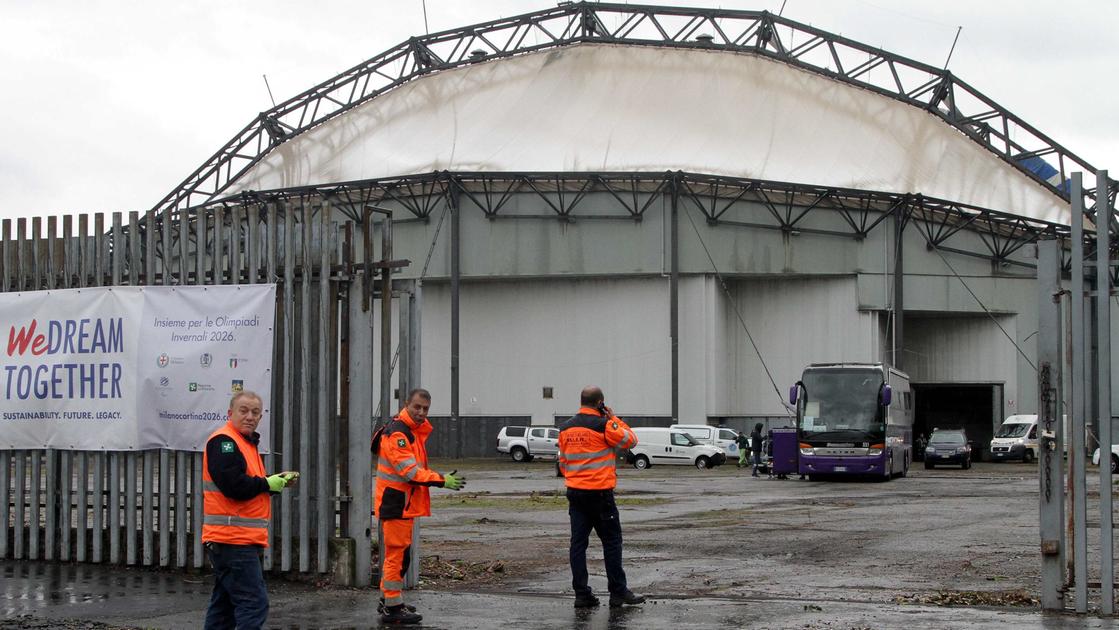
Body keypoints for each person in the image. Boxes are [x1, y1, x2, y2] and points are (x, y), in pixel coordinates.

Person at [202, 390, 297, 630]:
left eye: (255, 412)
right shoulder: (225, 442)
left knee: (223, 607)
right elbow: (233, 486)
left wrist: (274, 482)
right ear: (230, 413)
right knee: (254, 603)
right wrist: (267, 483)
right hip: (233, 540)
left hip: (234, 540)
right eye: (243, 411)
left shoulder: (243, 443)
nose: (250, 416)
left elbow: (246, 486)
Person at [374, 388, 466, 625]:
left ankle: (389, 600)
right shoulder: (399, 434)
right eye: (417, 407)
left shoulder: (406, 430)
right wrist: (442, 479)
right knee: (397, 556)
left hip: (399, 503)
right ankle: (393, 608)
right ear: (407, 404)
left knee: (399, 555)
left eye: (425, 409)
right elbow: (410, 473)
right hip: (396, 504)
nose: (422, 413)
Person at [557, 386, 646, 609]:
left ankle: (582, 594)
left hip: (575, 493)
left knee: (578, 545)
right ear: (600, 404)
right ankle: (617, 592)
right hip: (600, 494)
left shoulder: (565, 428)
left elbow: (563, 463)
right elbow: (631, 440)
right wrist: (613, 417)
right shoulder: (604, 424)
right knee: (612, 542)